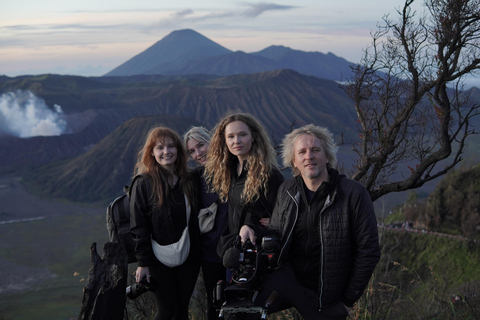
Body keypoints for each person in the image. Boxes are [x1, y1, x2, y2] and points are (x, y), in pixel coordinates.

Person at [240, 124, 381, 320]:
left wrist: (348, 301)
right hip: (288, 279)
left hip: (328, 293)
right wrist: (251, 228)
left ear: (327, 156)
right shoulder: (287, 190)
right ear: (294, 161)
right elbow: (276, 232)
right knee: (242, 312)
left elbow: (369, 251)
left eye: (315, 150)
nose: (309, 156)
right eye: (302, 152)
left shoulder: (353, 194)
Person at [130, 127, 201, 320]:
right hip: (157, 259)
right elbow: (139, 226)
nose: (166, 151)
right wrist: (143, 263)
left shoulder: (190, 180)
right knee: (166, 310)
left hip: (189, 257)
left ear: (178, 150)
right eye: (159, 147)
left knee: (182, 310)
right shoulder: (143, 184)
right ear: (151, 152)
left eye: (171, 146)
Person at [204, 112, 284, 258]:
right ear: (224, 141)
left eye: (242, 135)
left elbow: (284, 215)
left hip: (258, 253)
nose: (237, 141)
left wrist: (274, 221)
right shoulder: (229, 171)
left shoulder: (268, 175)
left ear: (253, 137)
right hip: (234, 250)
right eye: (231, 136)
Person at [184, 126, 229, 320]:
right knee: (215, 303)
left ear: (211, 141)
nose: (198, 153)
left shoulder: (234, 167)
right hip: (211, 253)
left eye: (201, 145)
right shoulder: (197, 178)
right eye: (192, 151)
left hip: (237, 248)